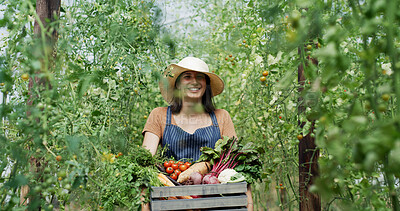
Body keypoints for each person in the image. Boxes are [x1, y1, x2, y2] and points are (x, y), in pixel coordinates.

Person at [141, 57, 253, 210]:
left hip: (216, 202)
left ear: (206, 85)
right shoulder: (159, 115)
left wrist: (249, 204)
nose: (194, 81)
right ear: (177, 84)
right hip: (172, 202)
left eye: (200, 77)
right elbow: (144, 164)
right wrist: (145, 206)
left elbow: (238, 164)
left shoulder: (221, 117)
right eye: (187, 77)